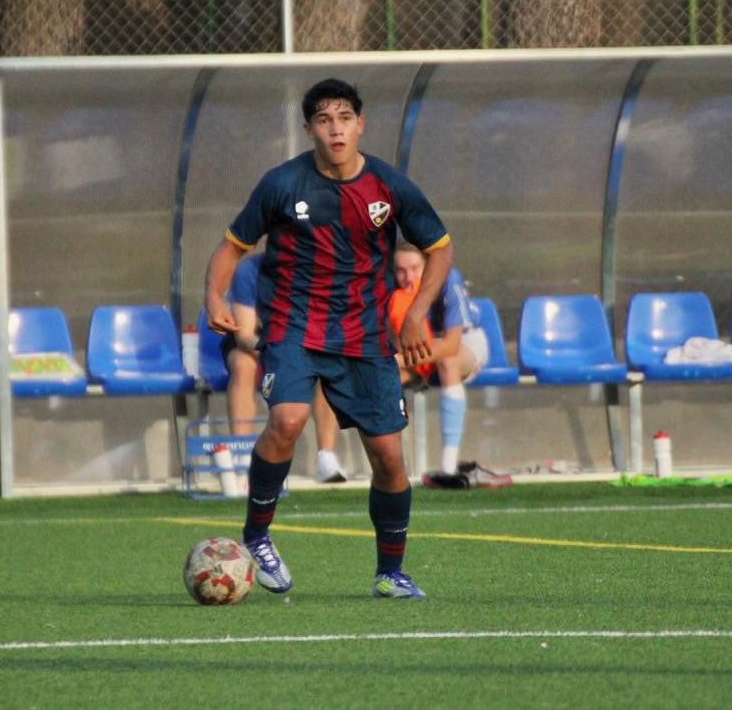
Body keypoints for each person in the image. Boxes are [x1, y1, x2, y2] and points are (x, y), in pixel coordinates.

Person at [204, 78, 452, 599]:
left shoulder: (389, 187)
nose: (335, 128)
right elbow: (230, 249)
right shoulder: (282, 184)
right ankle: (257, 535)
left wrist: (414, 317)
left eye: (344, 117)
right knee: (289, 418)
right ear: (309, 128)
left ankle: (390, 571)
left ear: (360, 124)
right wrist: (215, 300)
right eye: (324, 119)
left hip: (364, 335)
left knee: (388, 458)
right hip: (294, 325)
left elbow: (440, 249)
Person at [390, 241, 513, 489]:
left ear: (428, 265)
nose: (408, 277)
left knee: (447, 361)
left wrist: (398, 360)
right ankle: (390, 467)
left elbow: (450, 345)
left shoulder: (448, 279)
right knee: (380, 377)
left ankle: (448, 467)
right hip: (420, 353)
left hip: (464, 342)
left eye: (414, 268)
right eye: (400, 270)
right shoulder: (392, 290)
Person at [223, 251, 347, 483]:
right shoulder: (249, 270)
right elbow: (245, 335)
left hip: (301, 340)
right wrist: (280, 353)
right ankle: (241, 459)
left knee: (326, 363)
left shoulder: (319, 270)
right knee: (243, 365)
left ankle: (326, 458)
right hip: (258, 344)